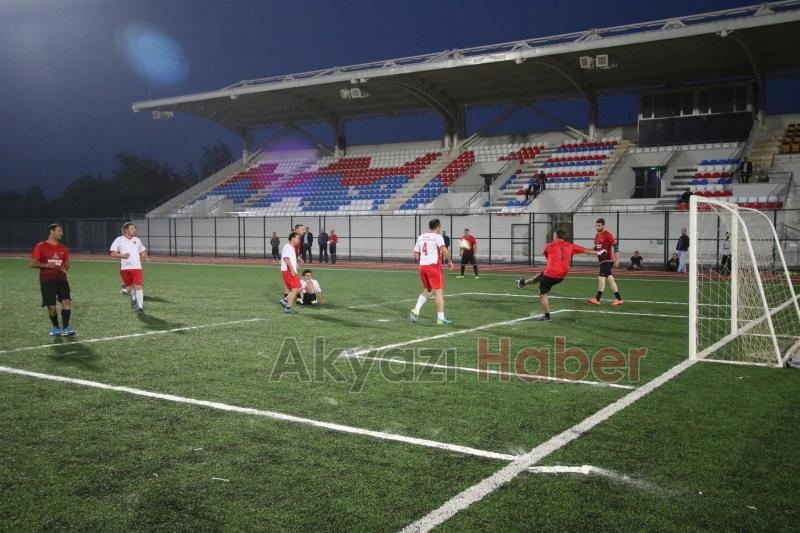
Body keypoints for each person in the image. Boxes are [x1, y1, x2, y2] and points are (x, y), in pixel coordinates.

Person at [516, 229, 595, 321]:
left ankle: (547, 316)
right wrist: (601, 252)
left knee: (542, 294)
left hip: (550, 274)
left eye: (554, 235)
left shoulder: (549, 245)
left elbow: (546, 256)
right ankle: (523, 283)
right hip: (561, 276)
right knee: (541, 275)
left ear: (556, 236)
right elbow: (587, 250)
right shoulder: (570, 245)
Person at [29, 223, 75, 336]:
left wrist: (64, 268)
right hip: (47, 282)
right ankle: (55, 327)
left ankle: (66, 328)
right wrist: (46, 265)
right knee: (51, 307)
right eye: (59, 231)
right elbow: (32, 263)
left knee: (66, 302)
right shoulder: (41, 246)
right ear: (52, 231)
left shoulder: (62, 248)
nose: (61, 233)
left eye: (62, 231)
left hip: (61, 280)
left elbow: (67, 264)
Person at [410, 218, 455, 325]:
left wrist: (423, 257)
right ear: (438, 227)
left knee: (428, 290)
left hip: (422, 267)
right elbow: (444, 250)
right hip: (433, 267)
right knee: (439, 292)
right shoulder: (437, 237)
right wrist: (450, 261)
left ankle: (416, 310)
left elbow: (415, 254)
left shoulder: (421, 237)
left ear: (430, 227)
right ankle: (440, 318)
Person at [109, 222, 149, 314]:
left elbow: (143, 250)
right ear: (126, 230)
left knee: (138, 286)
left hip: (137, 267)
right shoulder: (119, 240)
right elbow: (112, 253)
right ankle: (133, 297)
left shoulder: (137, 240)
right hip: (125, 268)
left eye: (135, 228)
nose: (134, 230)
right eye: (132, 228)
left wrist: (144, 255)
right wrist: (122, 256)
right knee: (129, 289)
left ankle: (140, 307)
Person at [587, 218, 623, 306]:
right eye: (596, 225)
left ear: (603, 225)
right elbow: (597, 247)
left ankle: (597, 299)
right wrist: (590, 251)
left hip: (607, 260)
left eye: (599, 225)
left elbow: (615, 246)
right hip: (602, 261)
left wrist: (617, 259)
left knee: (601, 278)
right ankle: (619, 299)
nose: (597, 227)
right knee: (610, 279)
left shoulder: (608, 234)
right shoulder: (597, 235)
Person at [279, 232, 302, 314]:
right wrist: (292, 269)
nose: (299, 240)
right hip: (288, 271)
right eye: (297, 238)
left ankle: (285, 300)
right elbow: (286, 259)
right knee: (295, 289)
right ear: (292, 238)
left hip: (292, 271)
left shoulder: (291, 248)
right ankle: (288, 308)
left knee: (299, 288)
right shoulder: (288, 246)